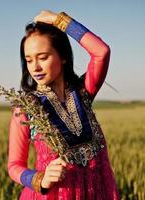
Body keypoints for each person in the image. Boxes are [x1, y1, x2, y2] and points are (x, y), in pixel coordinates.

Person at [7, 10, 120, 199]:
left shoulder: (83, 92)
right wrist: (40, 180)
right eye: (28, 60)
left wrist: (59, 21)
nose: (35, 67)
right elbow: (14, 165)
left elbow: (101, 52)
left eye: (43, 58)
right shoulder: (26, 108)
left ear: (63, 57)